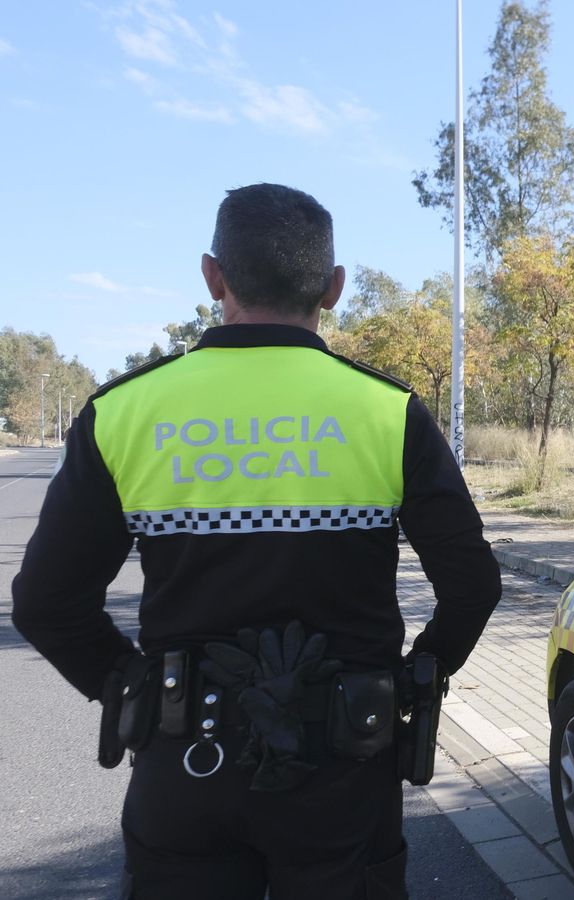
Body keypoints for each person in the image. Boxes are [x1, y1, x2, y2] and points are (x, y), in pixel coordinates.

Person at [11, 183, 502, 899]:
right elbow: (473, 586)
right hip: (345, 764)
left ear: (213, 276)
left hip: (184, 763)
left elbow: (45, 603)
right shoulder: (387, 411)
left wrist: (132, 690)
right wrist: (410, 682)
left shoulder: (124, 411)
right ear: (333, 288)